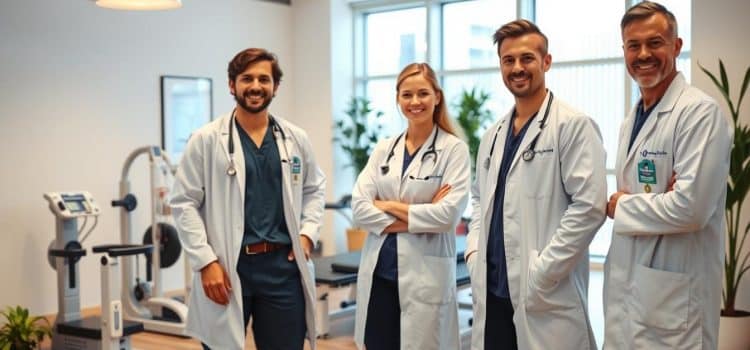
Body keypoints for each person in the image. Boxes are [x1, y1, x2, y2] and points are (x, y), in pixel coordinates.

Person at [169, 48, 326, 349]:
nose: (256, 86)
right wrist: (205, 262)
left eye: (264, 79)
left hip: (282, 266)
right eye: (247, 78)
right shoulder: (206, 139)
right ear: (232, 85)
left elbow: (314, 188)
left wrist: (307, 235)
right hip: (228, 266)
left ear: (275, 87)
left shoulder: (295, 138)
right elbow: (183, 202)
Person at [464, 19, 607, 350]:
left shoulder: (572, 126)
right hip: (493, 291)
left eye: (527, 58)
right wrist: (473, 251)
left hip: (542, 294)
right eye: (508, 60)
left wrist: (542, 272)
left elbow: (589, 208)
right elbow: (478, 199)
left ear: (546, 61)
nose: (517, 68)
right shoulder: (493, 134)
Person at [603, 2, 732, 349]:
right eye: (633, 45)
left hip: (674, 306)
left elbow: (690, 209)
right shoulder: (632, 119)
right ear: (624, 52)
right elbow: (672, 204)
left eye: (655, 42)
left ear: (676, 46)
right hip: (631, 295)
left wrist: (623, 206)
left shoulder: (699, 113)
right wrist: (661, 197)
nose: (643, 54)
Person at [351, 62, 470, 350]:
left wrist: (386, 204)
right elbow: (358, 208)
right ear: (398, 99)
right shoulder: (384, 149)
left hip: (425, 276)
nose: (415, 102)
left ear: (437, 97)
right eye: (407, 95)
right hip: (381, 273)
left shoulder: (453, 150)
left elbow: (448, 216)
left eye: (423, 93)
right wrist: (422, 213)